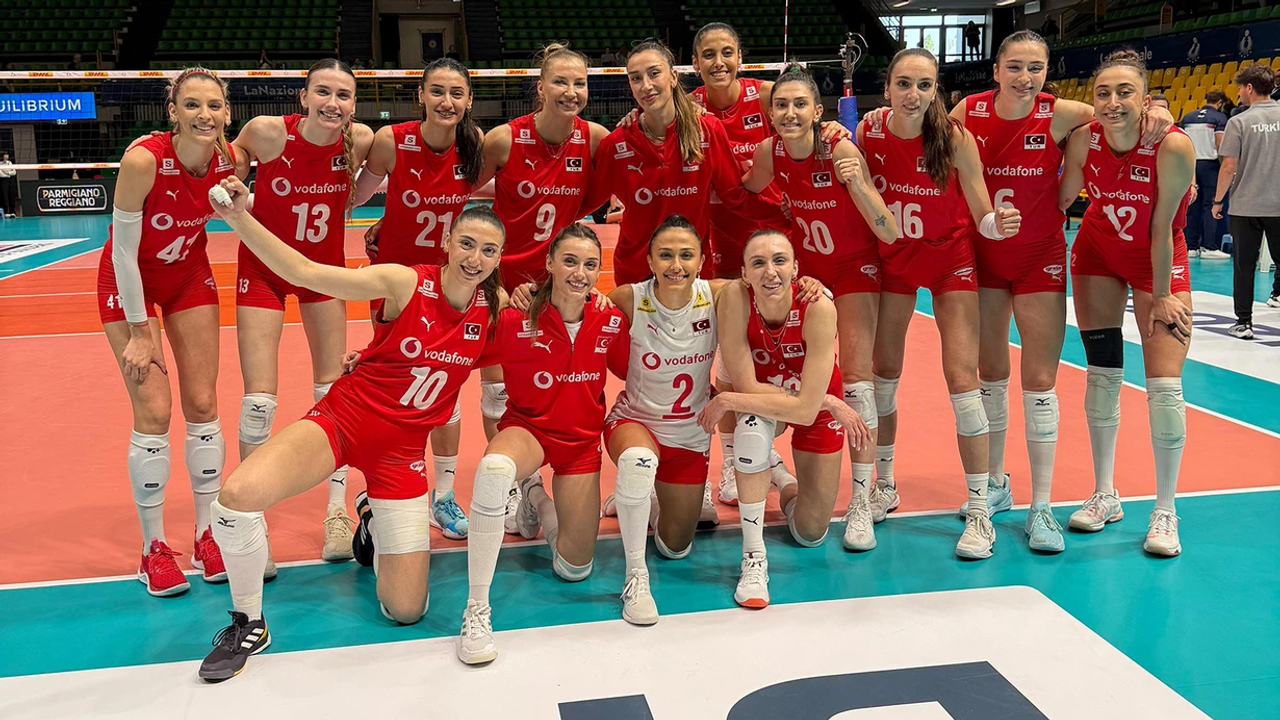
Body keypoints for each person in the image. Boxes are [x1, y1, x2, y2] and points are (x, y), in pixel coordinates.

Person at [198, 186, 506, 681]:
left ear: (499, 258)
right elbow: (307, 272)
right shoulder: (405, 282)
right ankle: (247, 621)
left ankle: (371, 519)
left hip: (402, 455)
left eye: (488, 250)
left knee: (407, 610)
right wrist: (237, 218)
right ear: (448, 242)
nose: (475, 259)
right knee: (236, 498)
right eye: (467, 244)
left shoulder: (493, 310)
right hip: (344, 421)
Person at [596, 216, 828, 620]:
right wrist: (528, 295)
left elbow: (768, 283)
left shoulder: (721, 294)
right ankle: (636, 577)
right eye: (665, 255)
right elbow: (574, 309)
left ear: (702, 261)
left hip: (690, 433)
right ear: (649, 260)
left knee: (675, 546)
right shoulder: (626, 298)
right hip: (636, 421)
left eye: (686, 255)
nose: (676, 265)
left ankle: (643, 496)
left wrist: (809, 283)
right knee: (638, 462)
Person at [858, 48, 1021, 559]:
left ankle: (980, 509)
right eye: (904, 83)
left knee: (962, 380)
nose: (914, 94)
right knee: (884, 373)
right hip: (895, 262)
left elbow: (983, 212)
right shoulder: (869, 133)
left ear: (936, 91)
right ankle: (884, 484)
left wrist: (999, 225)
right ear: (887, 87)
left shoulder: (953, 138)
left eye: (924, 85)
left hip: (951, 262)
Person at [742, 64, 899, 551]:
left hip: (854, 269)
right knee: (779, 366)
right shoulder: (769, 152)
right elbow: (742, 189)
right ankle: (769, 459)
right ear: (770, 113)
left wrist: (859, 185)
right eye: (781, 105)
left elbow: (889, 230)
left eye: (799, 104)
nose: (789, 113)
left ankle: (862, 501)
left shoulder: (840, 149)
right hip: (806, 271)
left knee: (857, 378)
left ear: (817, 111)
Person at [98, 68, 241, 597]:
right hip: (128, 282)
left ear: (227, 112)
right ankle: (153, 548)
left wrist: (240, 201)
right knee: (155, 412)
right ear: (173, 111)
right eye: (193, 105)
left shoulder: (228, 161)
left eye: (214, 105)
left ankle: (206, 535)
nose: (205, 114)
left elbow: (238, 207)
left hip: (188, 277)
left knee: (203, 404)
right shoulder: (144, 160)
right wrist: (141, 330)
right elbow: (123, 254)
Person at [459, 224, 626, 664]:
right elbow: (449, 352)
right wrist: (372, 359)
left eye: (590, 265)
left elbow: (641, 371)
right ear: (549, 263)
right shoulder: (514, 319)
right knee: (494, 469)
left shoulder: (610, 319)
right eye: (569, 261)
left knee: (574, 568)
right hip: (528, 430)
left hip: (580, 444)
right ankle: (476, 607)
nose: (579, 273)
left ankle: (535, 498)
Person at [228, 59, 376, 561]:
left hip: (323, 275)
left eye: (343, 95)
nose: (333, 103)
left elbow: (371, 187)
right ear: (304, 97)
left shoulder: (361, 140)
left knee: (333, 394)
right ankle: (252, 523)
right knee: (259, 401)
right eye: (323, 92)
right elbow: (229, 163)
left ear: (353, 104)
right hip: (263, 271)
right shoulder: (268, 133)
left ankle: (336, 512)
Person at [1058, 49, 1195, 556]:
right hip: (1097, 254)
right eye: (1103, 93)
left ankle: (1165, 510)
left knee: (1164, 387)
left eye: (1125, 92)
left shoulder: (1171, 144)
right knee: (1102, 376)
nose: (1113, 102)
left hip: (1158, 259)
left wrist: (1160, 296)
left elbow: (1162, 228)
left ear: (1145, 98)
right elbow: (1059, 201)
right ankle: (1105, 494)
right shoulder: (1083, 140)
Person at [471, 43, 611, 528]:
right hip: (503, 284)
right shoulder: (504, 140)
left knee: (550, 389)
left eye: (579, 83)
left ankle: (541, 480)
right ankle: (520, 487)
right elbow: (454, 192)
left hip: (561, 285)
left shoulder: (593, 138)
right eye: (560, 82)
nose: (571, 92)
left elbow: (599, 194)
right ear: (541, 87)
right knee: (498, 394)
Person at [698, 230, 872, 608]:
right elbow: (747, 385)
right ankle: (753, 556)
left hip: (813, 405)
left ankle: (779, 475)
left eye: (779, 261)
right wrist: (821, 400)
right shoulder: (735, 299)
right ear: (744, 273)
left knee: (810, 533)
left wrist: (728, 399)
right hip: (774, 401)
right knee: (750, 429)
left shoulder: (818, 307)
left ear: (795, 268)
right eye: (758, 263)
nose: (770, 271)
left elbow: (806, 411)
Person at [351, 57, 485, 539]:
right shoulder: (392, 141)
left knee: (446, 391)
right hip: (397, 286)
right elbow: (353, 197)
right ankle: (379, 487)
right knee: (393, 388)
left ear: (468, 100)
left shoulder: (474, 146)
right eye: (437, 91)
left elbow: (494, 194)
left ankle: (443, 495)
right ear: (421, 96)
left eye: (456, 93)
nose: (447, 101)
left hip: (452, 285)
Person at [583, 39, 782, 287]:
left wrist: (792, 216)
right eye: (636, 78)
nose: (646, 85)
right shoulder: (616, 144)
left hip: (692, 273)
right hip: (636, 276)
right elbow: (587, 203)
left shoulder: (707, 130)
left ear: (673, 77)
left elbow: (736, 197)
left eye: (654, 73)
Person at [1215, 63, 1280, 339]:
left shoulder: (1239, 121)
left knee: (1244, 266)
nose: (1239, 93)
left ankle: (1244, 322)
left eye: (1241, 88)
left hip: (1246, 205)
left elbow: (1229, 166)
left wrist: (1217, 201)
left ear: (1250, 88)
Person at [1181, 89, 1231, 259]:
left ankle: (1191, 246)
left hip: (1189, 163)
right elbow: (1220, 144)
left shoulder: (1187, 117)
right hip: (1209, 165)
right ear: (1220, 103)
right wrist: (1224, 165)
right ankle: (1209, 247)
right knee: (1210, 205)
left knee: (1192, 204)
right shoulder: (1220, 118)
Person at [0, 151, 17, 217]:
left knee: (12, 195)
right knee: (4, 196)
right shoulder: (0, 163)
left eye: (7, 154)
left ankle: (12, 212)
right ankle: (6, 212)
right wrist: (9, 172)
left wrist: (7, 172)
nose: (7, 156)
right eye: (5, 155)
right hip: (3, 181)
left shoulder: (9, 163)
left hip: (11, 180)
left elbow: (14, 172)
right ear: (2, 156)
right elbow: (1, 174)